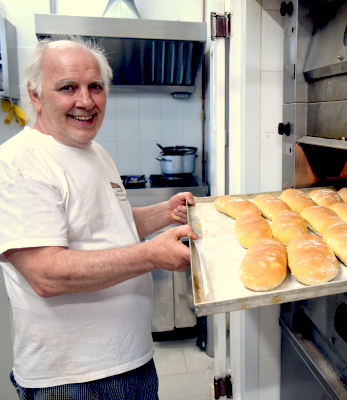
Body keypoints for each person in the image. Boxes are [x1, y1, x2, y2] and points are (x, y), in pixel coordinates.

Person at [0, 35, 199, 400]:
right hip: (73, 379)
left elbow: (109, 223)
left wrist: (165, 212)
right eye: (67, 87)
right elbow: (45, 273)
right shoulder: (18, 162)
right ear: (35, 96)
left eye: (95, 86)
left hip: (133, 360)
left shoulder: (94, 150)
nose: (86, 101)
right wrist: (150, 255)